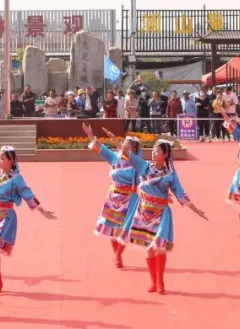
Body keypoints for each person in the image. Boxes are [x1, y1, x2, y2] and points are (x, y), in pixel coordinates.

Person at [120, 139, 208, 294]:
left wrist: (196, 210)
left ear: (166, 154)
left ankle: (160, 282)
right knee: (148, 247)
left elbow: (180, 193)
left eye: (158, 150)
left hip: (161, 212)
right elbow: (128, 155)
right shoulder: (145, 167)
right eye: (153, 149)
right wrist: (116, 141)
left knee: (159, 247)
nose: (154, 152)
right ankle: (153, 281)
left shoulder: (170, 175)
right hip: (144, 210)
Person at [0, 146, 57, 293]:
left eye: (2, 158)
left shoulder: (16, 179)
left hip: (5, 216)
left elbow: (27, 194)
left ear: (11, 161)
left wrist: (42, 210)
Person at [82, 124, 142, 267]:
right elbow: (101, 149)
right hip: (114, 196)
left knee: (126, 228)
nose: (125, 146)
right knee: (112, 227)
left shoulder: (137, 162)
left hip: (130, 197)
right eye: (124, 143)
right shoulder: (115, 158)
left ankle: (118, 254)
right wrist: (90, 135)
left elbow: (147, 176)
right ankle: (117, 256)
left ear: (134, 148)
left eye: (128, 144)